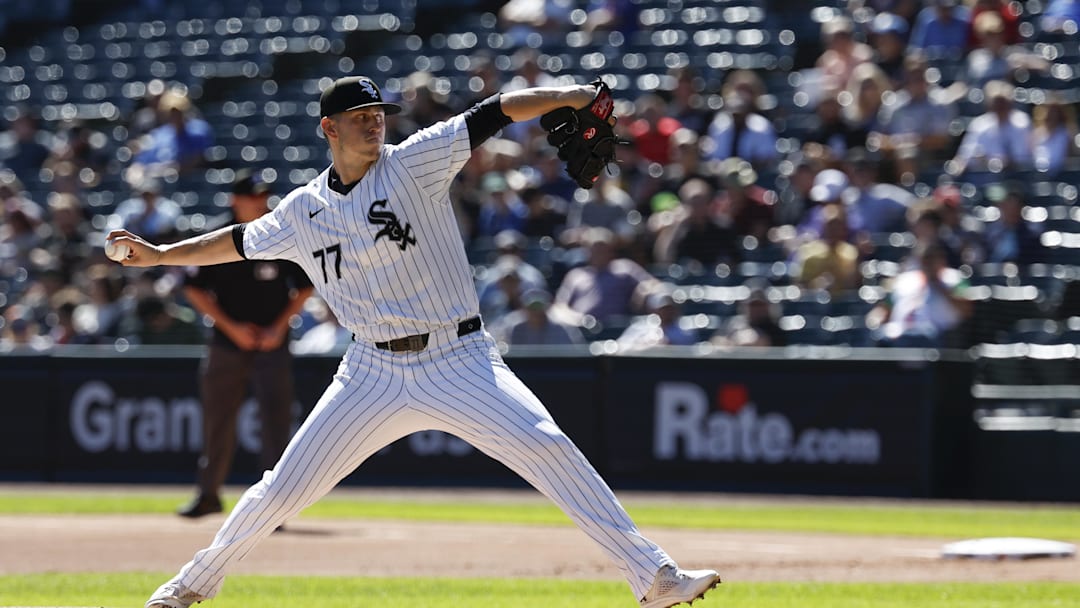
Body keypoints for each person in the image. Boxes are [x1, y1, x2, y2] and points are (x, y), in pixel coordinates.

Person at [108, 75, 720, 608]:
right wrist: (161, 255)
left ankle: (653, 577)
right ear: (329, 128)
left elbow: (497, 109)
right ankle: (187, 587)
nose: (375, 125)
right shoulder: (302, 210)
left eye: (379, 116)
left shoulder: (414, 161)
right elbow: (237, 241)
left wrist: (578, 95)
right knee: (283, 487)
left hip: (457, 358)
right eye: (361, 119)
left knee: (548, 448)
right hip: (368, 371)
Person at [173, 169, 315, 519]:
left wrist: (278, 329)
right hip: (227, 343)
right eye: (253, 196)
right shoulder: (217, 236)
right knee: (218, 421)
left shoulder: (280, 233)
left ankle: (274, 506)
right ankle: (208, 495)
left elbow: (306, 286)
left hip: (272, 343)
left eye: (264, 196)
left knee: (276, 422)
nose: (261, 202)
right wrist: (232, 328)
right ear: (235, 200)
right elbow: (192, 287)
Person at [867, 240, 973, 347]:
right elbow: (884, 309)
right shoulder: (904, 280)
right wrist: (875, 319)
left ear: (942, 260)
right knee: (879, 337)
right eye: (925, 259)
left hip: (938, 336)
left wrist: (939, 286)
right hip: (899, 333)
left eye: (932, 259)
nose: (928, 264)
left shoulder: (954, 279)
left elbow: (966, 310)